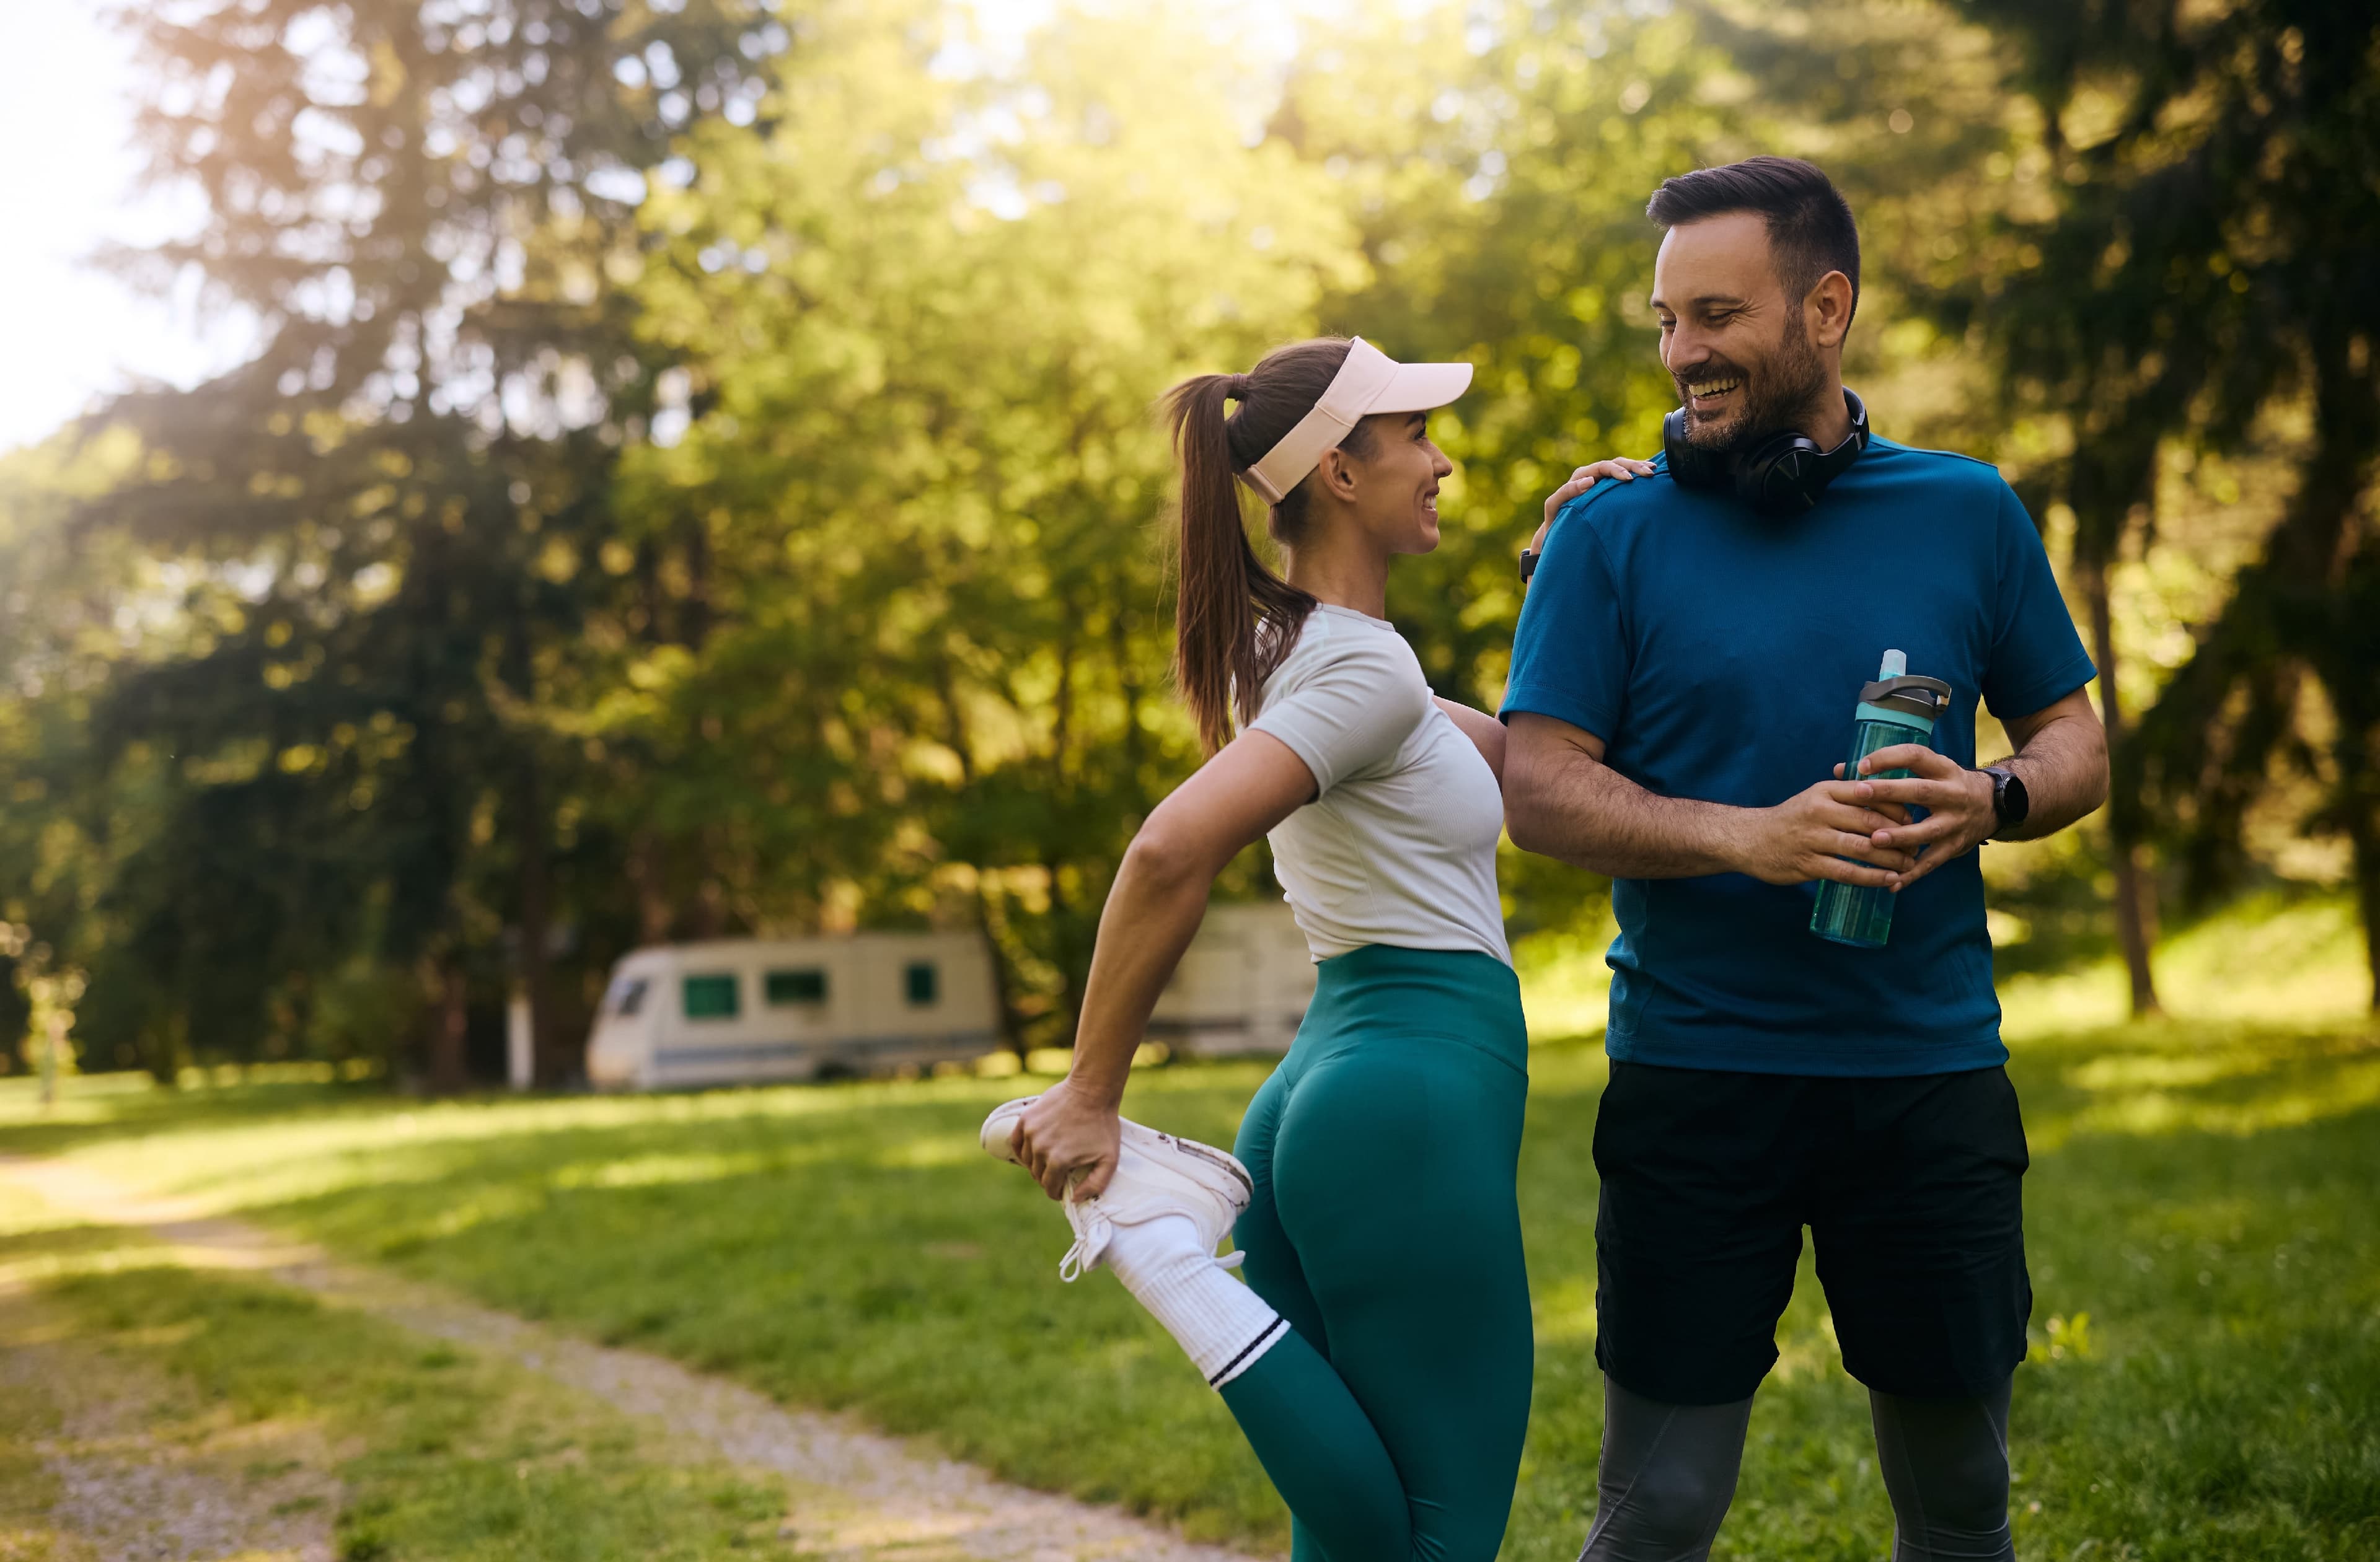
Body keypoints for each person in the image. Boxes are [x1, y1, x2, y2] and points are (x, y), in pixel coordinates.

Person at [1502, 157, 2109, 1562]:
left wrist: (1997, 796)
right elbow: (1539, 790)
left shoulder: (1965, 510)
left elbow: (2073, 735)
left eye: (1716, 314)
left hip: (1929, 1077)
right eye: (1664, 321)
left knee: (1962, 1500)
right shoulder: (1607, 530)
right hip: (1699, 1082)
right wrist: (1745, 837)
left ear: (1826, 307)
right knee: (1656, 1507)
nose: (1682, 352)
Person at [982, 336, 1582, 1562]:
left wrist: (1570, 563)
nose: (1443, 461)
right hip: (1410, 1100)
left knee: (1359, 1537)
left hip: (1327, 1091)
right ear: (1341, 475)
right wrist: (1091, 1095)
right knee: (1444, 1532)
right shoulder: (1356, 671)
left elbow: (1540, 767)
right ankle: (1165, 1258)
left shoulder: (1307, 656)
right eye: (1414, 436)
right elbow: (1166, 850)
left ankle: (1174, 1259)